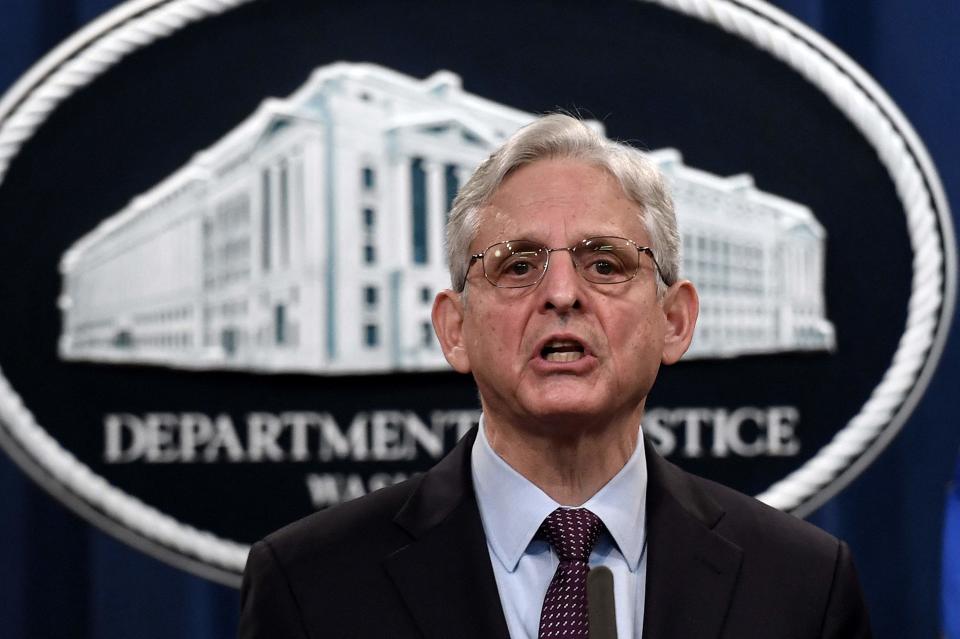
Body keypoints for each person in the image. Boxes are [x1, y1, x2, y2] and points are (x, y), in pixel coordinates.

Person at [238, 114, 872, 638]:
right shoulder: (309, 585)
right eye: (518, 266)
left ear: (675, 321)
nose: (562, 293)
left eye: (605, 263)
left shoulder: (801, 585)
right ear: (454, 328)